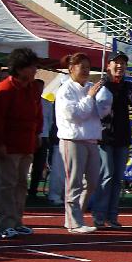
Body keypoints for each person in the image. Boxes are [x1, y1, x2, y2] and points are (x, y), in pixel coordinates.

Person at [91, 53, 132, 229]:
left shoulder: (127, 86)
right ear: (108, 65)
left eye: (123, 64)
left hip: (123, 138)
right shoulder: (102, 84)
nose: (120, 66)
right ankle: (99, 215)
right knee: (107, 175)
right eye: (116, 63)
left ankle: (112, 216)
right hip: (104, 137)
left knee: (117, 178)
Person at [0, 48, 43, 239]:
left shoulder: (33, 89)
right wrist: (0, 144)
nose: (35, 70)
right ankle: (4, 225)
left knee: (21, 185)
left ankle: (17, 221)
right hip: (7, 147)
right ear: (19, 68)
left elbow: (38, 115)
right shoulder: (3, 89)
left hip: (26, 145)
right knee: (6, 185)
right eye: (32, 66)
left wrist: (37, 134)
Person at [55, 53, 111, 233]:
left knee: (93, 181)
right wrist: (89, 97)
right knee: (74, 182)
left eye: (88, 67)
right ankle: (73, 221)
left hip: (91, 139)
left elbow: (100, 114)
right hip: (72, 140)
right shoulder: (66, 89)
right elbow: (73, 115)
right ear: (71, 69)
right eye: (82, 67)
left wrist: (105, 99)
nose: (86, 71)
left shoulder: (90, 87)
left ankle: (76, 215)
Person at [28, 79, 50, 198]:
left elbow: (49, 121)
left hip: (44, 137)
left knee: (39, 165)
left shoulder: (46, 104)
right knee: (25, 163)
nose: (39, 90)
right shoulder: (28, 102)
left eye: (41, 87)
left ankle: (33, 190)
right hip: (30, 137)